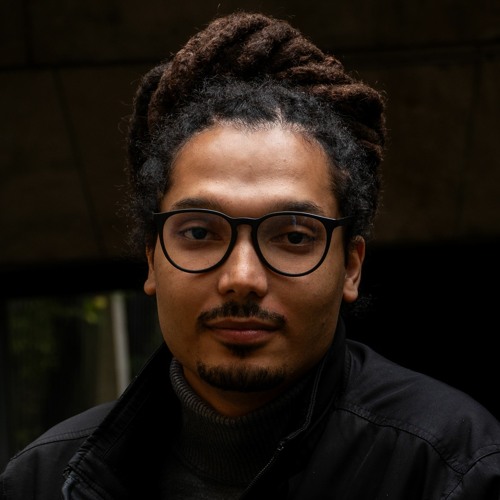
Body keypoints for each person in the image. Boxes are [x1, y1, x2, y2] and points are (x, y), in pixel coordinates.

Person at [1, 11, 500, 500]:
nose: (242, 278)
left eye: (294, 237)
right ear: (152, 259)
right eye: (199, 232)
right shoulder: (43, 480)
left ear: (351, 266)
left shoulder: (452, 469)